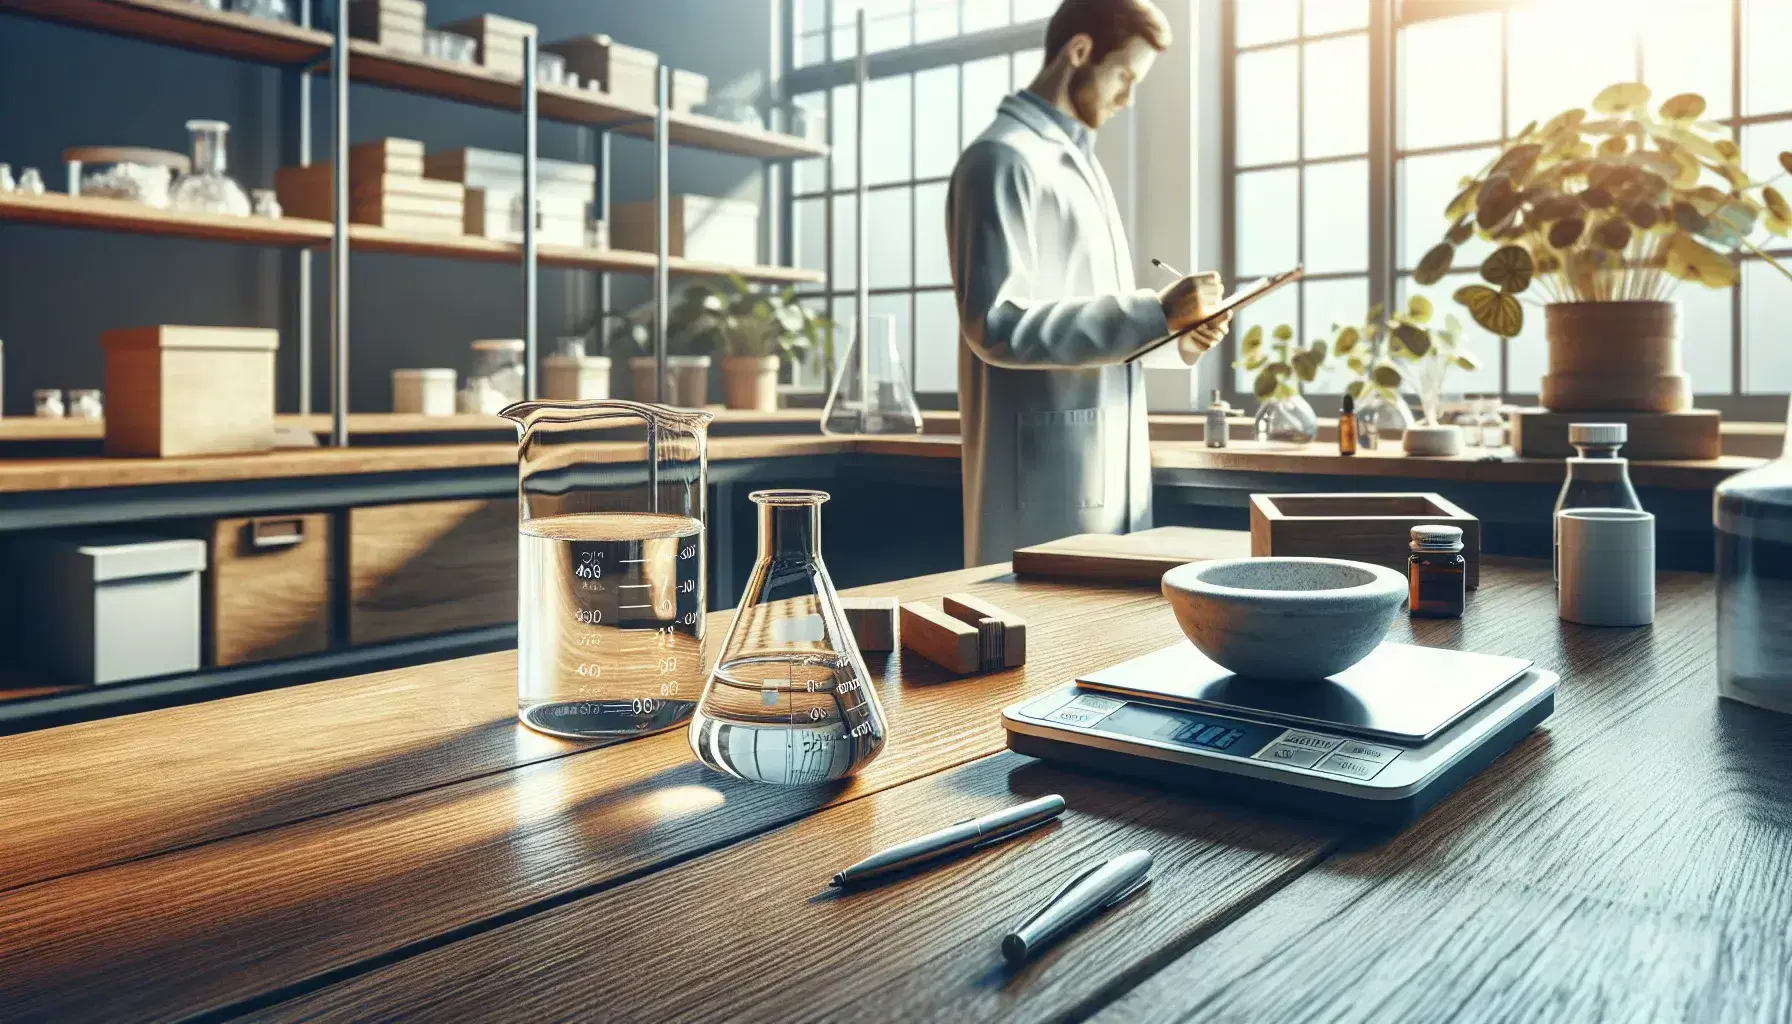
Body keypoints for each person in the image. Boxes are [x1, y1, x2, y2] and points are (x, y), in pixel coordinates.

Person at [947, 0, 1229, 567]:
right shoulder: (1000, 160)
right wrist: (1156, 312)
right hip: (1046, 481)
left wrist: (1176, 337)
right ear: (1079, 53)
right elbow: (995, 324)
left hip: (1107, 467)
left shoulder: (1075, 163)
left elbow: (1092, 319)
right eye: (1124, 76)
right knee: (1041, 642)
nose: (1127, 98)